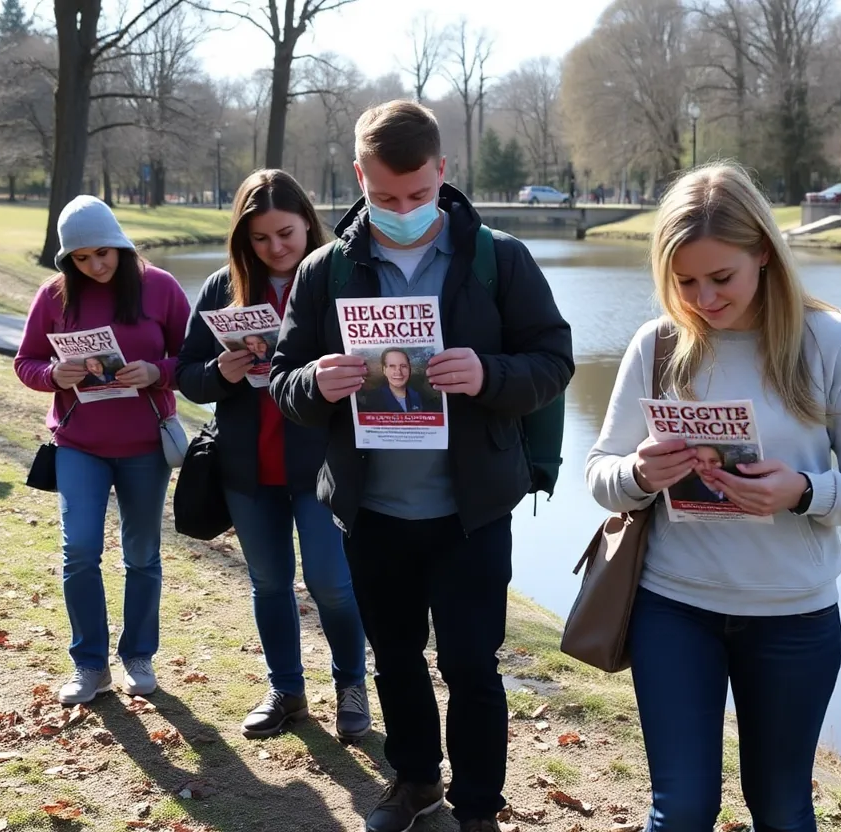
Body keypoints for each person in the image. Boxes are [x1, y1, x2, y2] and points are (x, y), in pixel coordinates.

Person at [269, 101, 574, 832]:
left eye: (417, 194)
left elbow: (554, 360)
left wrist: (488, 374)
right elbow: (283, 383)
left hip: (470, 511)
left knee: (472, 665)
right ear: (358, 178)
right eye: (383, 198)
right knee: (395, 657)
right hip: (372, 511)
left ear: (443, 171)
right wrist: (319, 382)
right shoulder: (325, 269)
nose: (402, 211)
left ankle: (476, 807)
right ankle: (414, 781)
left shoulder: (500, 258)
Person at [585, 163, 841, 832]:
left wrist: (805, 491)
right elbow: (600, 472)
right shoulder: (658, 345)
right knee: (681, 811)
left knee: (783, 808)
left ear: (763, 250)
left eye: (720, 277)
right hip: (674, 609)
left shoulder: (830, 341)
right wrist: (641, 474)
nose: (702, 297)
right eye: (685, 282)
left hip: (795, 620)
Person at [176, 169, 371, 742]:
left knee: (333, 583)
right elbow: (187, 374)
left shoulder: (340, 279)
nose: (276, 248)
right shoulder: (222, 288)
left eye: (286, 233)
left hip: (321, 465)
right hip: (247, 466)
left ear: (308, 224)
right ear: (243, 241)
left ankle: (350, 686)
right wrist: (220, 371)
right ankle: (286, 690)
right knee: (269, 582)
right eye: (260, 239)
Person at [14, 195, 191, 705]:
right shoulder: (54, 295)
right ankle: (89, 665)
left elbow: (193, 358)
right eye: (82, 258)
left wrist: (158, 370)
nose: (95, 265)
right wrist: (53, 375)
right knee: (80, 551)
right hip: (79, 445)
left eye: (103, 254)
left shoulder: (160, 287)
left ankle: (138, 655)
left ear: (120, 243)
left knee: (141, 554)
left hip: (144, 444)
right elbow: (26, 361)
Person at [361, 348, 434, 413]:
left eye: (403, 366)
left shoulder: (424, 398)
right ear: (384, 370)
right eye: (392, 366)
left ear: (409, 369)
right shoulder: (371, 400)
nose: (398, 372)